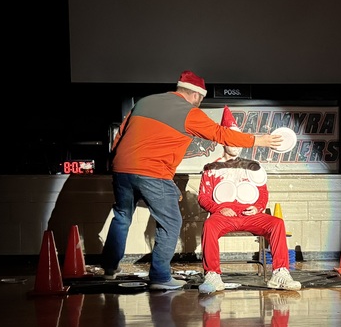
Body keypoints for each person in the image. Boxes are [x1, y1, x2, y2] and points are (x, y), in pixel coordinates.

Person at [101, 70, 285, 291]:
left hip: (122, 169)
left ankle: (110, 269)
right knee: (171, 223)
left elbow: (120, 134)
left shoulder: (145, 102)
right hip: (152, 172)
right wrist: (259, 140)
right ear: (197, 95)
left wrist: (115, 164)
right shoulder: (188, 112)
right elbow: (221, 134)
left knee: (122, 216)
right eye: (201, 99)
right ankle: (159, 277)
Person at [196, 106, 301, 294]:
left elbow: (262, 194)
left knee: (276, 223)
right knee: (209, 226)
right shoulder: (211, 168)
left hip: (249, 215)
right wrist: (218, 209)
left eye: (238, 142)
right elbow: (203, 198)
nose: (235, 146)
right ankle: (212, 275)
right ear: (223, 142)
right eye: (231, 141)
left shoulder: (252, 167)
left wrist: (258, 207)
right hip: (224, 215)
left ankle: (280, 273)